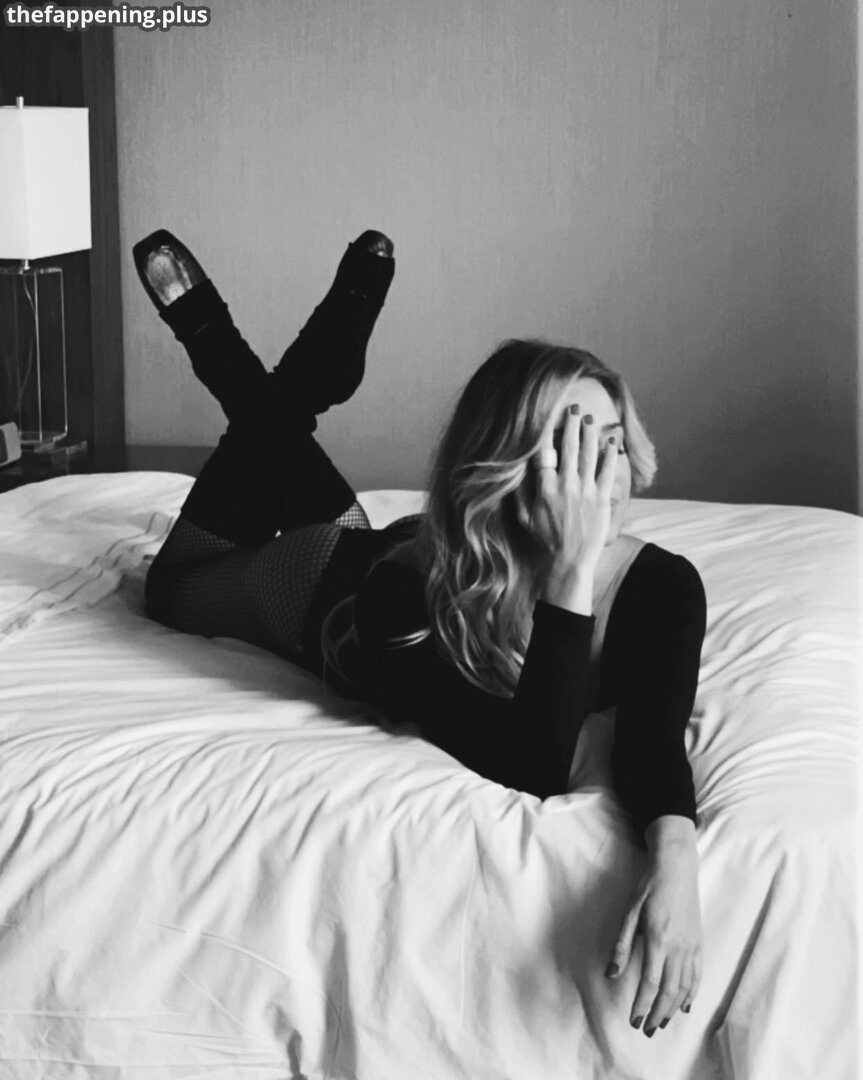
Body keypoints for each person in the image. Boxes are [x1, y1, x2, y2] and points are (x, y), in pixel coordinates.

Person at [136, 227, 706, 1040]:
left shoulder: (664, 585)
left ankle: (295, 367)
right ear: (503, 463)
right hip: (323, 583)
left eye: (610, 447)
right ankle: (230, 348)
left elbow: (653, 737)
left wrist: (676, 857)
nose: (600, 479)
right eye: (570, 450)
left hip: (419, 541)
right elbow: (532, 764)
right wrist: (571, 570)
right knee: (169, 588)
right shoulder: (402, 597)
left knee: (277, 424)